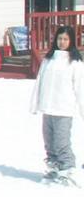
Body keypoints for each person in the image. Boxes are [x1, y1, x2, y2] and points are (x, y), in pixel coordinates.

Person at [30, 25, 84, 179]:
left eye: (66, 39)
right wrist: (35, 104)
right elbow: (39, 82)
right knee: (49, 143)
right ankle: (54, 167)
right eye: (60, 38)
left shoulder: (75, 63)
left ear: (71, 41)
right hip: (48, 108)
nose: (62, 42)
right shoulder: (49, 60)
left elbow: (81, 89)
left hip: (63, 109)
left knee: (62, 143)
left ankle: (67, 169)